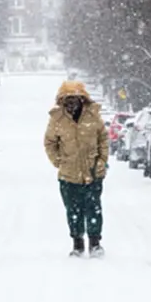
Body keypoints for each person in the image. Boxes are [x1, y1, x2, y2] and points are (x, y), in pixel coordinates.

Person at [44, 80, 109, 257]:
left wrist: (102, 160)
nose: (71, 102)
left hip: (93, 172)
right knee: (73, 210)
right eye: (68, 98)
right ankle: (77, 244)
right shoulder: (57, 119)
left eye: (75, 98)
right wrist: (59, 161)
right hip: (68, 175)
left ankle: (95, 243)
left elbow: (103, 139)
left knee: (93, 207)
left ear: (82, 99)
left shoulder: (93, 116)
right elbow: (50, 143)